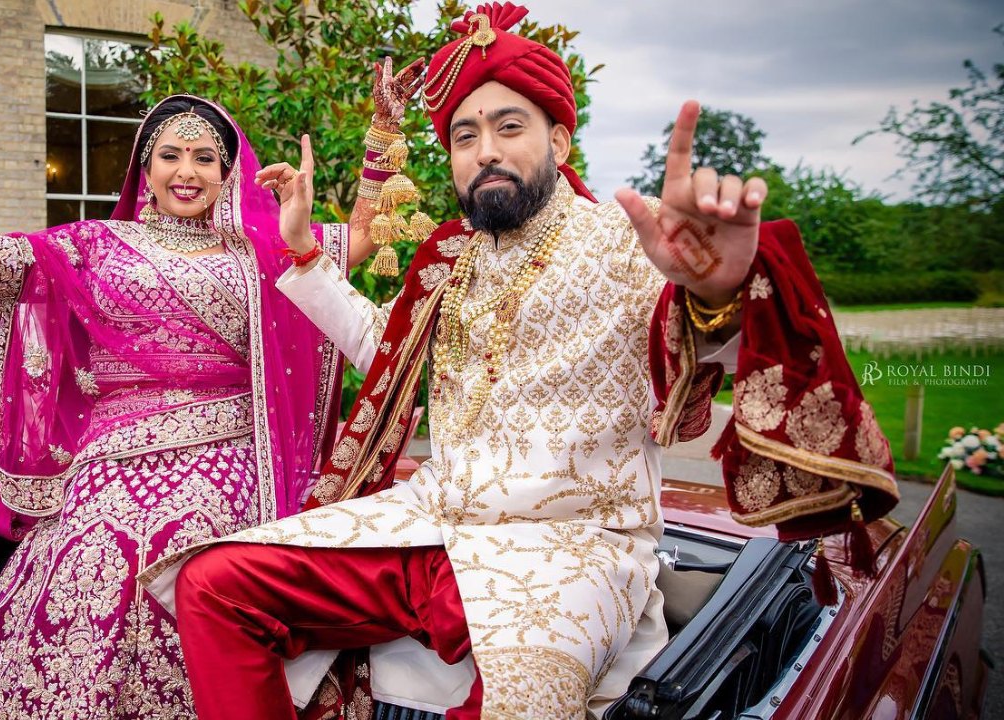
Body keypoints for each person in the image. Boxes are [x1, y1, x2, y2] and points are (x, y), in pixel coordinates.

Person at [140, 3, 901, 718]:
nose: (487, 151)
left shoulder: (623, 242)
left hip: (571, 546)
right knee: (214, 583)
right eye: (465, 136)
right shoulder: (451, 256)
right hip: (431, 525)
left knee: (523, 700)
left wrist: (719, 290)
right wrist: (305, 253)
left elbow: (699, 359)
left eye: (509, 126)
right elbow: (393, 358)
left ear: (559, 141)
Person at [0, 51, 421, 719]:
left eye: (204, 157)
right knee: (91, 560)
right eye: (170, 154)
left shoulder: (260, 247)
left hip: (231, 459)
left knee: (203, 555)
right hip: (110, 463)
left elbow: (367, 237)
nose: (187, 171)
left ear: (229, 172)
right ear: (145, 168)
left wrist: (382, 131)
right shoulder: (96, 243)